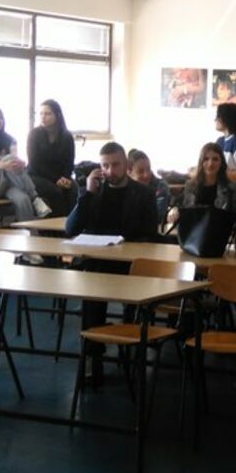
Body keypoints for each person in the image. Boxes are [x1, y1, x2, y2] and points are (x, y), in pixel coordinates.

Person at [65, 142, 160, 375]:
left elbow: (150, 234)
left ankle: (128, 349)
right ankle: (92, 355)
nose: (110, 171)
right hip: (97, 262)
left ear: (126, 165)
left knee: (106, 283)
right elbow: (71, 228)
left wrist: (125, 245)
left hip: (129, 264)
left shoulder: (143, 193)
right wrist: (88, 194)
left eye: (115, 165)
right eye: (105, 166)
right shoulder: (93, 191)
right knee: (92, 290)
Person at [0, 105, 51, 222]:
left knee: (23, 199)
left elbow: (14, 162)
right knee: (9, 158)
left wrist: (21, 164)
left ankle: (30, 231)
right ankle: (35, 197)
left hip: (8, 184)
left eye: (0, 117)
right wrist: (5, 165)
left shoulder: (10, 139)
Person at [26, 99, 77, 216]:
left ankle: (71, 223)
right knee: (55, 192)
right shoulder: (34, 134)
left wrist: (65, 178)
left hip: (60, 176)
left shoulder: (67, 136)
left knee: (73, 189)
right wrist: (56, 179)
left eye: (47, 114)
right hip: (36, 176)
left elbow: (69, 162)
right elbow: (34, 163)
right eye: (41, 114)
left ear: (57, 115)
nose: (43, 117)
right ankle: (56, 226)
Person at [181, 142, 236, 213]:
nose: (210, 164)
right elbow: (186, 211)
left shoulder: (233, 187)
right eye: (206, 159)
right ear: (201, 162)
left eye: (215, 159)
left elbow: (235, 215)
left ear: (221, 163)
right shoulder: (190, 185)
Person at [128, 148, 170, 221]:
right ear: (129, 172)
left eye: (148, 169)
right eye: (140, 171)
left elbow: (157, 214)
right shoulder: (123, 188)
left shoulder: (160, 185)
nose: (146, 175)